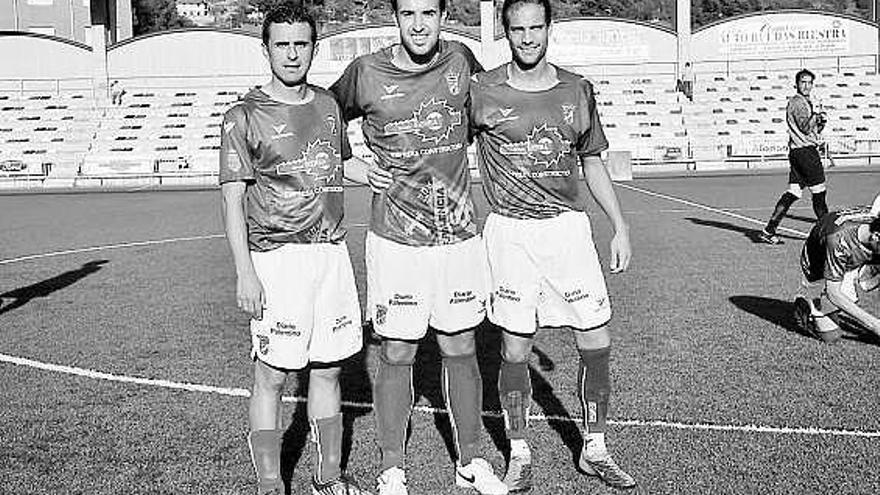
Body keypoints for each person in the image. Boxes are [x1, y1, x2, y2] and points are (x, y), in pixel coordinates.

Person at [329, 1, 507, 494]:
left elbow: (498, 107)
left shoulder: (461, 60)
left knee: (461, 344)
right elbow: (319, 114)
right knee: (397, 349)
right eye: (408, 13)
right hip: (396, 240)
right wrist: (353, 166)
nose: (419, 24)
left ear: (444, 14)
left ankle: (470, 461)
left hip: (457, 236)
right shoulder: (365, 72)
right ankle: (392, 469)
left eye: (428, 12)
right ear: (395, 18)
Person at [468, 0, 635, 490]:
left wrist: (619, 225)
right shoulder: (481, 90)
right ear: (506, 32)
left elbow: (592, 162)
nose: (527, 38)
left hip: (567, 231)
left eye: (535, 27)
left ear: (549, 28)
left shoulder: (577, 89)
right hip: (510, 235)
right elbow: (449, 153)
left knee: (596, 338)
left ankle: (595, 448)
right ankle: (518, 452)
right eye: (518, 29)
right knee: (515, 346)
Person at [219, 5, 373, 495]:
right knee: (272, 375)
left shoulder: (327, 105)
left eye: (300, 44)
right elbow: (232, 200)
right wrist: (245, 272)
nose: (291, 54)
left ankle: (328, 477)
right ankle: (270, 483)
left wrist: (379, 174)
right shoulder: (243, 116)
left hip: (330, 255)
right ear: (265, 49)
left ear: (314, 48)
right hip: (277, 259)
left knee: (329, 369)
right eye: (281, 44)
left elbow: (337, 164)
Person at [758, 68, 829, 245]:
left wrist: (820, 122)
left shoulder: (804, 101)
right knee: (819, 193)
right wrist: (816, 116)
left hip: (797, 151)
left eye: (809, 82)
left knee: (794, 192)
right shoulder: (798, 102)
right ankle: (828, 234)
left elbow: (812, 129)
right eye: (803, 82)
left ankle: (769, 230)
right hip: (805, 152)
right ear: (796, 84)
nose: (806, 86)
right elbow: (805, 128)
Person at [794, 205, 880, 343]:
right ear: (876, 236)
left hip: (852, 257)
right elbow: (834, 294)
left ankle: (857, 275)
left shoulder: (874, 221)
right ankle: (806, 305)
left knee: (851, 297)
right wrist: (875, 325)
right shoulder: (838, 240)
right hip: (819, 268)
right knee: (831, 335)